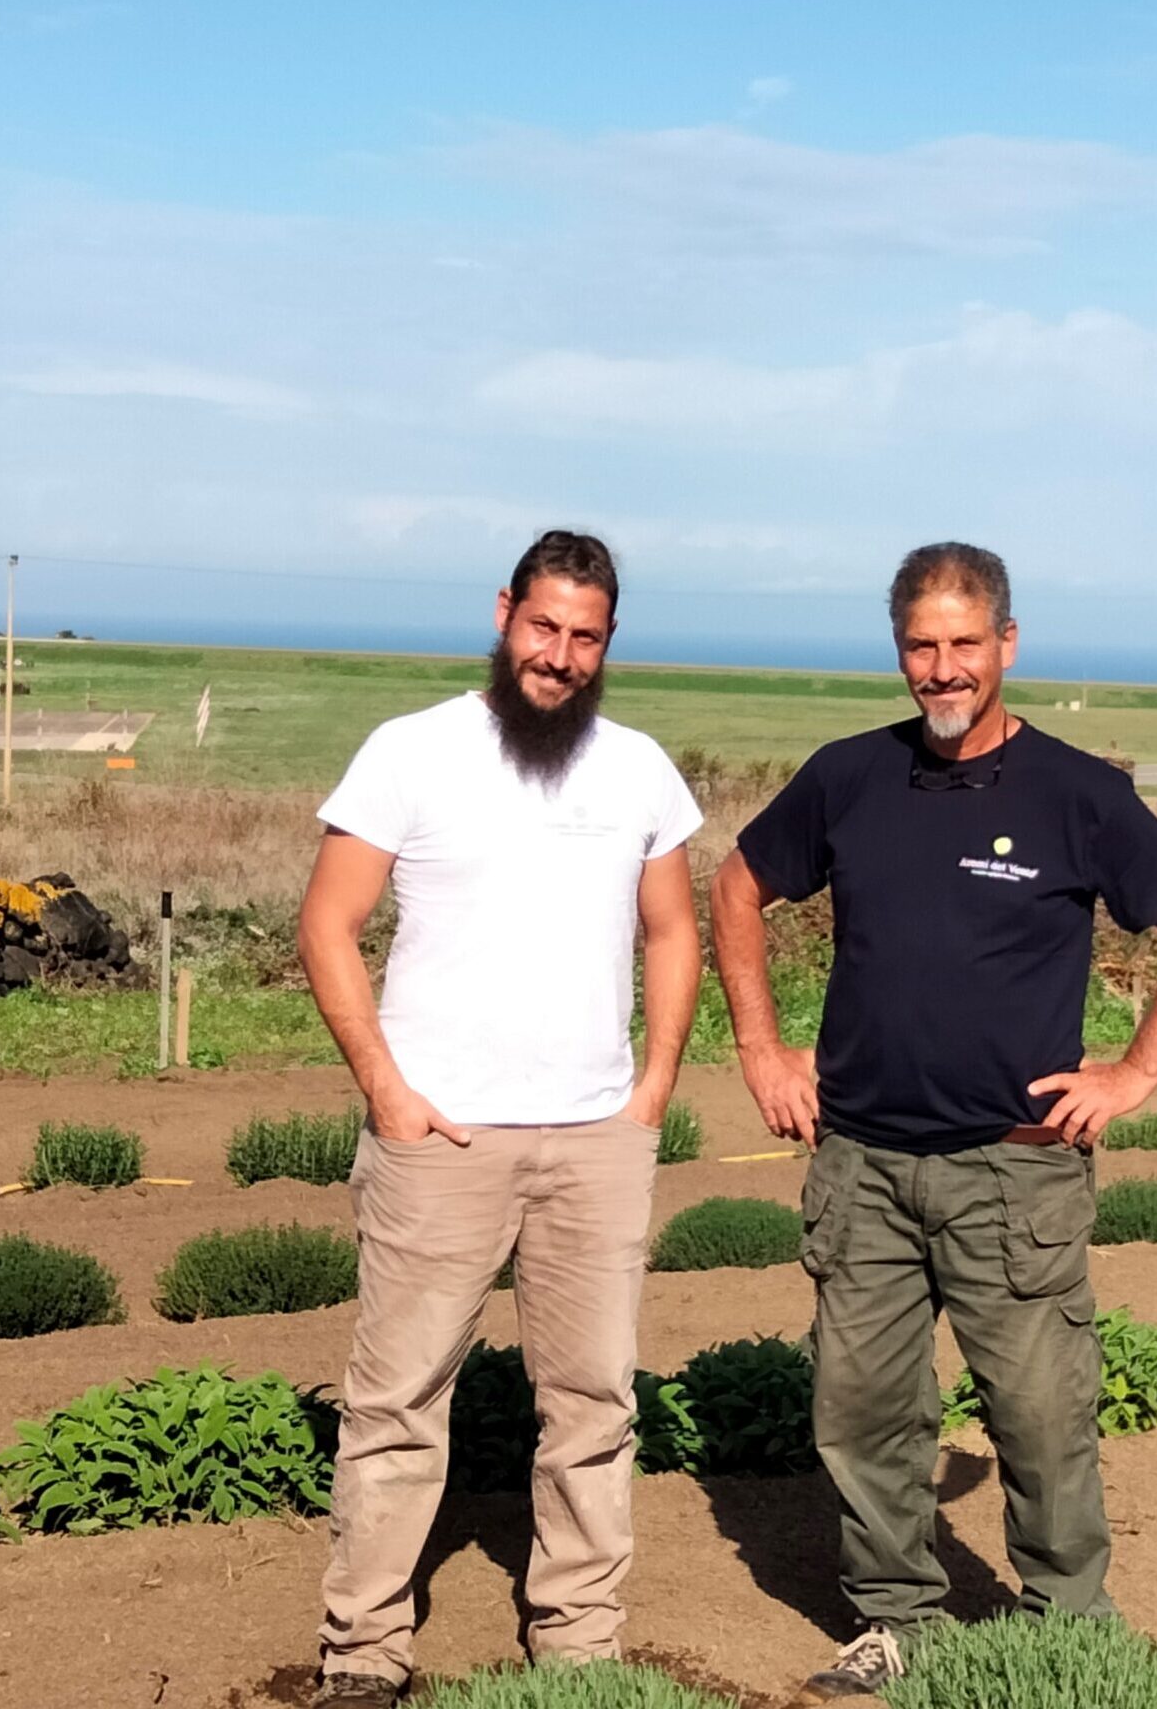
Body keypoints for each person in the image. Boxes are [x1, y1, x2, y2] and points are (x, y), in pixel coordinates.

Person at [710, 541, 1157, 1702]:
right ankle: (896, 1623)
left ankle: (1070, 1632)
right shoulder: (849, 777)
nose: (940, 670)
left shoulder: (1078, 794)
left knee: (1043, 1419)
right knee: (860, 1414)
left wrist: (1133, 1074)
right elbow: (736, 886)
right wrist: (761, 1047)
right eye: (919, 646)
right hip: (859, 1163)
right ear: (897, 648)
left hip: (1016, 1173)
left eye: (963, 644)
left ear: (1006, 644)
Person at [299, 530, 704, 1707]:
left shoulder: (637, 770)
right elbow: (328, 923)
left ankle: (578, 1639)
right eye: (543, 627)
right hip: (443, 1143)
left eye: (584, 636)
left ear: (607, 643)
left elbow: (670, 930)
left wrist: (654, 1089)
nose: (559, 655)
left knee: (591, 1405)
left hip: (593, 1144)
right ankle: (363, 1652)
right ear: (503, 615)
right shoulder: (411, 752)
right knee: (396, 1406)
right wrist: (387, 1089)